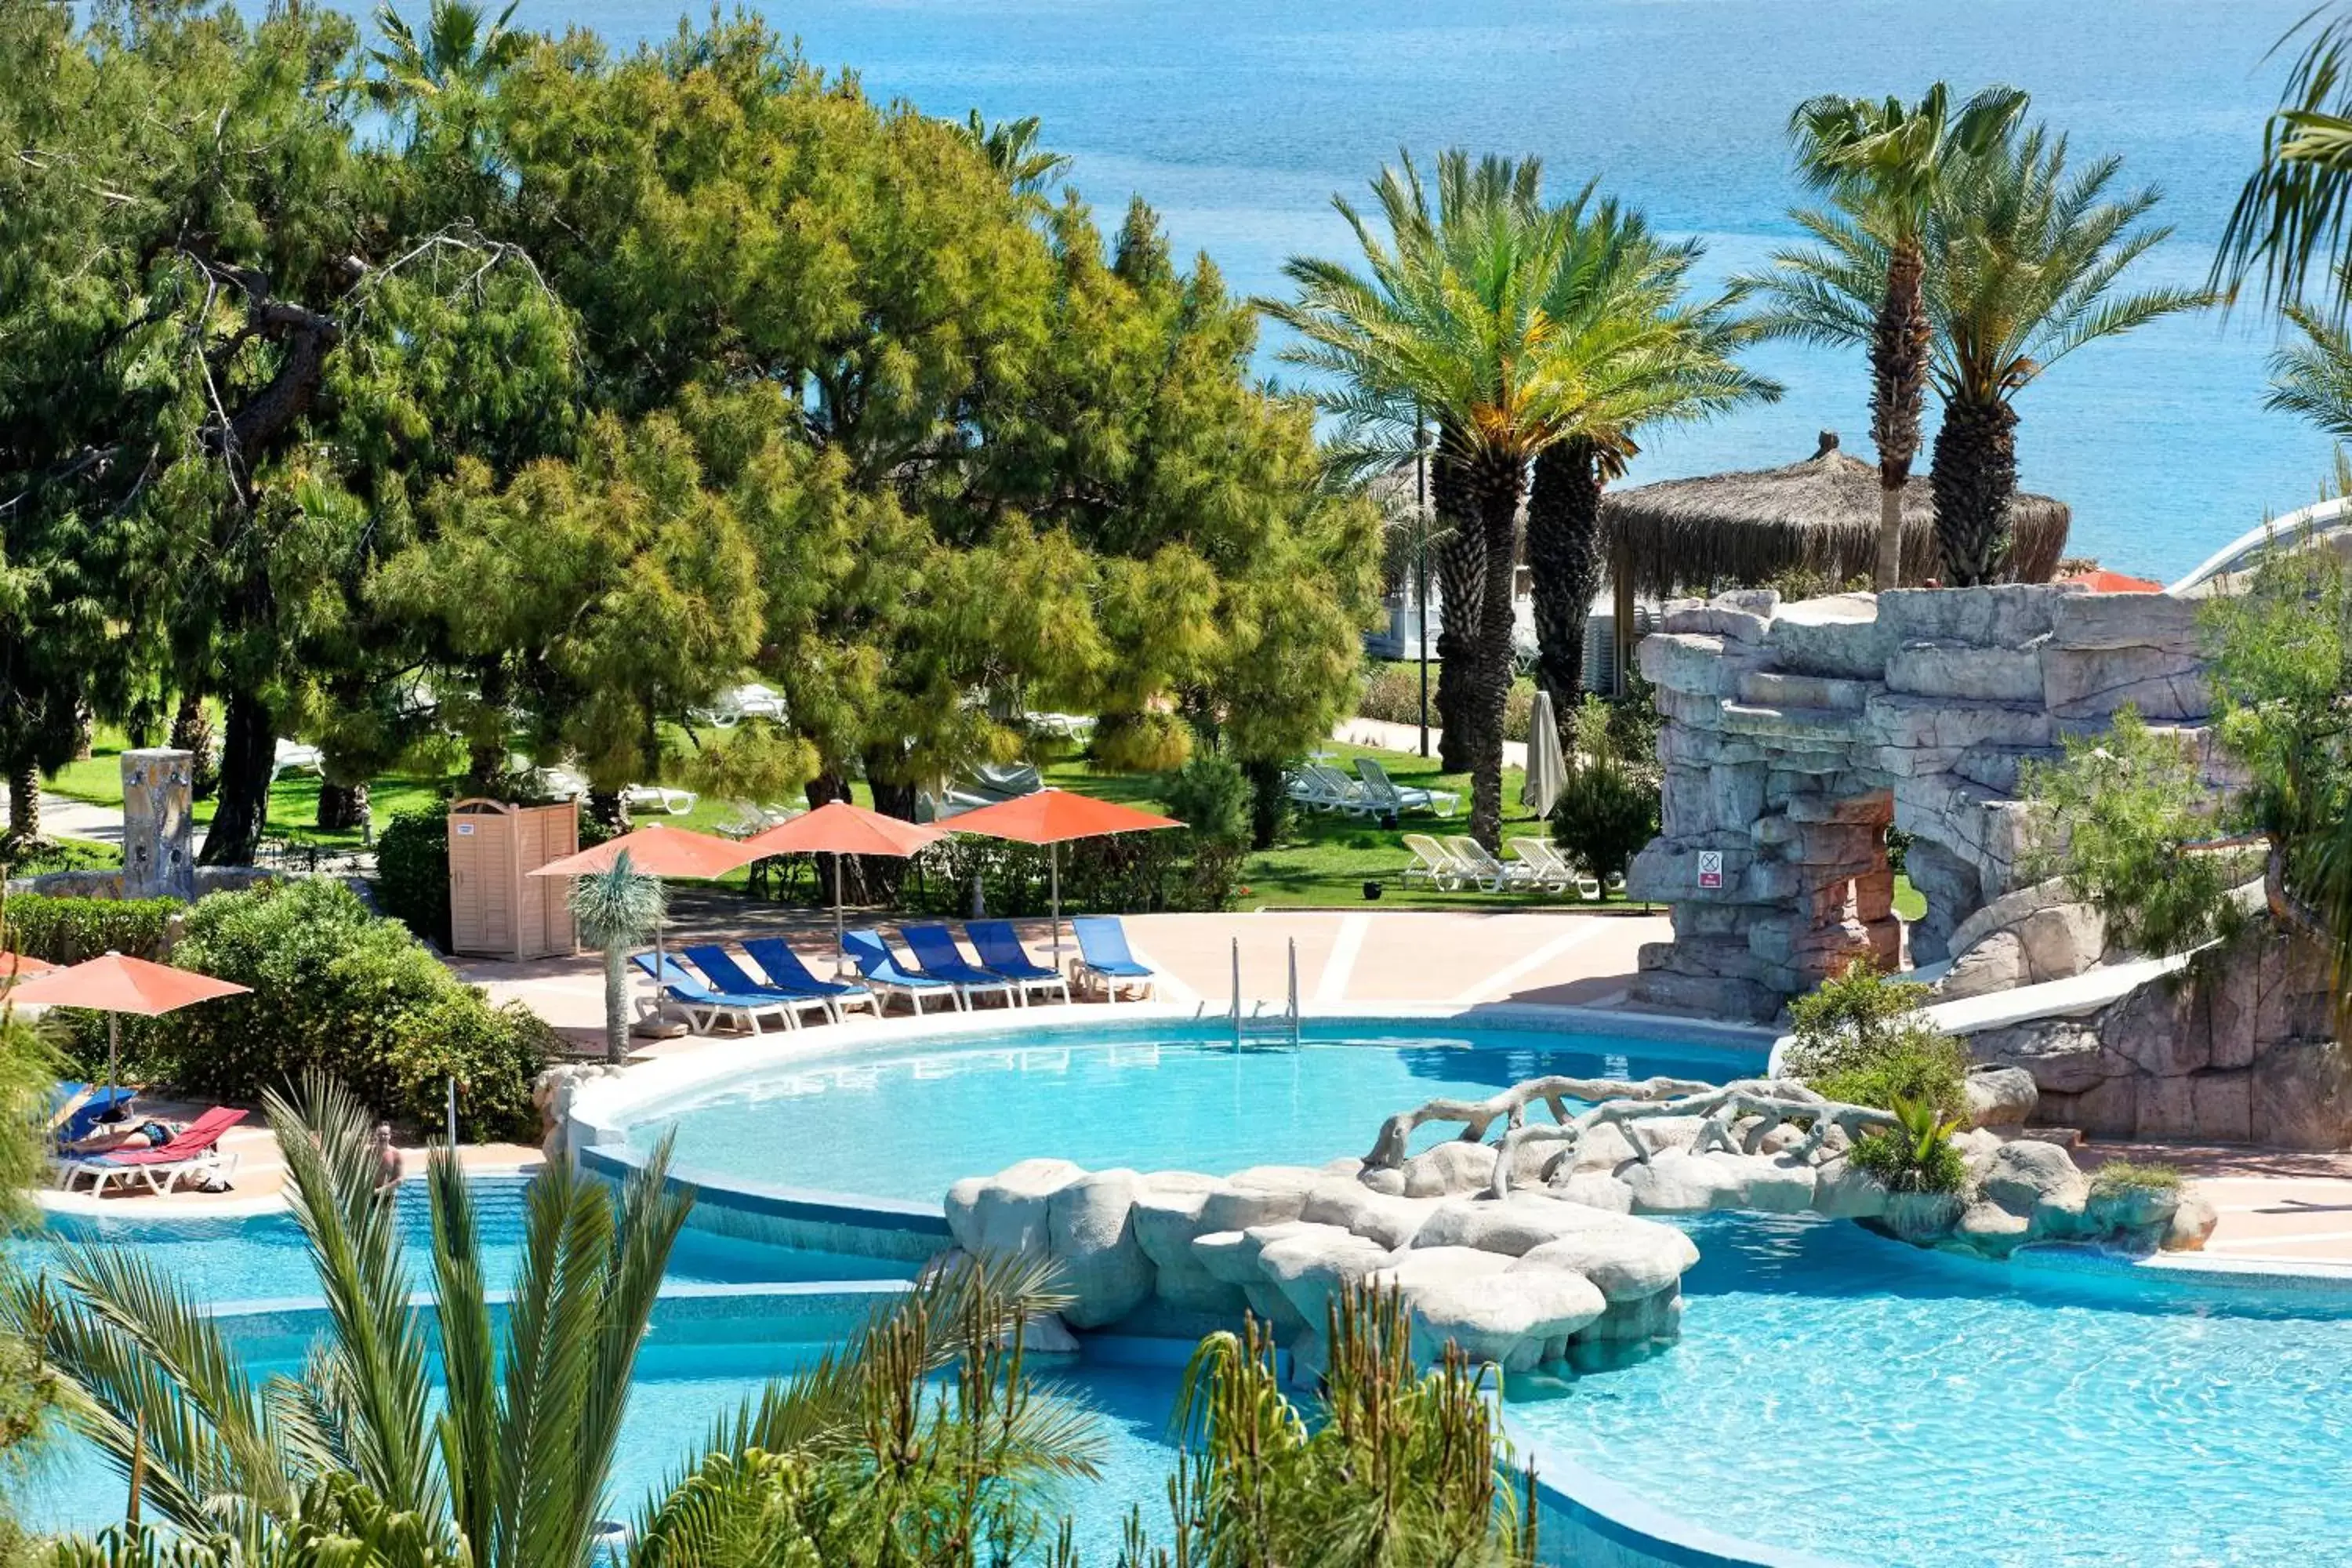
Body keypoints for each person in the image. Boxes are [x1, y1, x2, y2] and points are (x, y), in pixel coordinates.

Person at [62, 1102, 178, 1156]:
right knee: (106, 1137)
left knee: (113, 1142)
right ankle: (70, 1145)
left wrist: (165, 1126)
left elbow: (177, 1141)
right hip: (141, 1130)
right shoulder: (182, 1126)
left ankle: (84, 1149)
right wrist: (151, 1122)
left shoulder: (185, 1131)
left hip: (149, 1138)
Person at [373, 1123, 404, 1192]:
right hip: (369, 1196)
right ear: (375, 1136)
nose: (382, 1137)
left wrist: (378, 1191)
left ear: (390, 1136)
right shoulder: (368, 1153)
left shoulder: (396, 1154)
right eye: (379, 1134)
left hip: (387, 1195)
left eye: (385, 1134)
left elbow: (400, 1180)